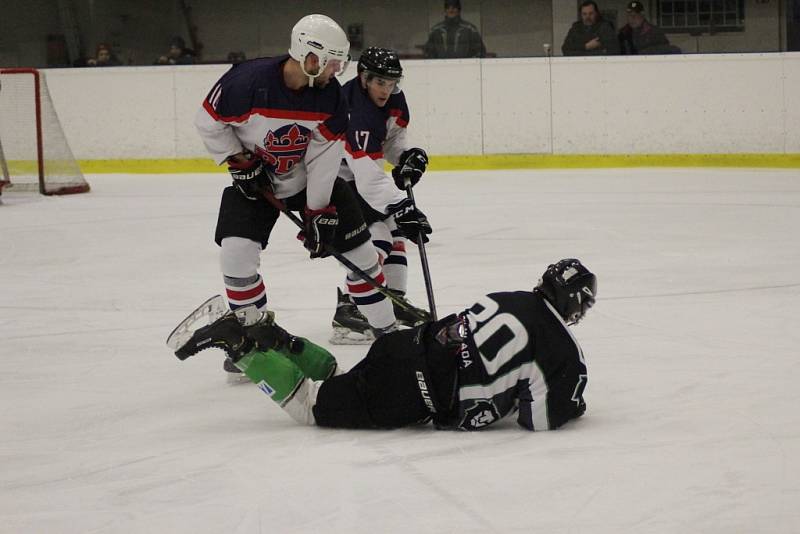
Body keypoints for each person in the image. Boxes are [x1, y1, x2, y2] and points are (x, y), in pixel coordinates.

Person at [194, 14, 427, 376]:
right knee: (235, 254)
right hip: (255, 183)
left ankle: (388, 335)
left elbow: (323, 157)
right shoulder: (247, 81)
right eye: (333, 62)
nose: (338, 70)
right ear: (309, 55)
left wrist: (319, 210)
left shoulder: (330, 97)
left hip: (308, 181)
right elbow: (209, 121)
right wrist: (239, 160)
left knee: (364, 257)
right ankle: (254, 333)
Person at [171, 259, 596, 431]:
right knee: (310, 408)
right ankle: (239, 344)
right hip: (414, 392)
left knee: (339, 376)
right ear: (576, 305)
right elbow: (536, 421)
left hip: (403, 347)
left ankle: (280, 341)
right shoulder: (564, 353)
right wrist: (572, 405)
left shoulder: (509, 298)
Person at [331, 47, 432, 344]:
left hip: (358, 175)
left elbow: (392, 140)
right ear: (364, 78)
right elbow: (368, 178)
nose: (387, 90)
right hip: (333, 179)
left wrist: (405, 157)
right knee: (377, 236)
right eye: (380, 83)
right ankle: (349, 307)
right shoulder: (354, 109)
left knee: (395, 231)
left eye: (392, 83)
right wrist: (401, 205)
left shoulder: (393, 99)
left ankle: (392, 301)